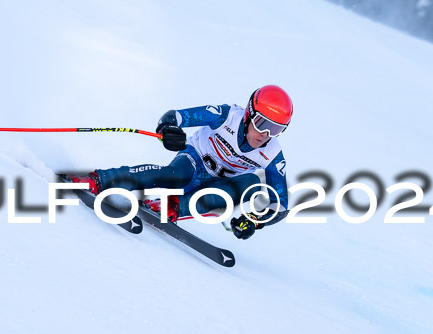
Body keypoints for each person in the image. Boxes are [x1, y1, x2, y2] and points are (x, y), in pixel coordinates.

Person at [70, 85, 292, 240]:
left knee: (250, 182)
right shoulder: (226, 116)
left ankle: (171, 206)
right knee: (176, 175)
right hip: (193, 163)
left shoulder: (272, 154)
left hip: (218, 186)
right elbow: (174, 116)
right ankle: (99, 180)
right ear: (248, 114)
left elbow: (280, 204)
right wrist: (168, 129)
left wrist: (254, 219)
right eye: (262, 123)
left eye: (276, 129)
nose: (265, 134)